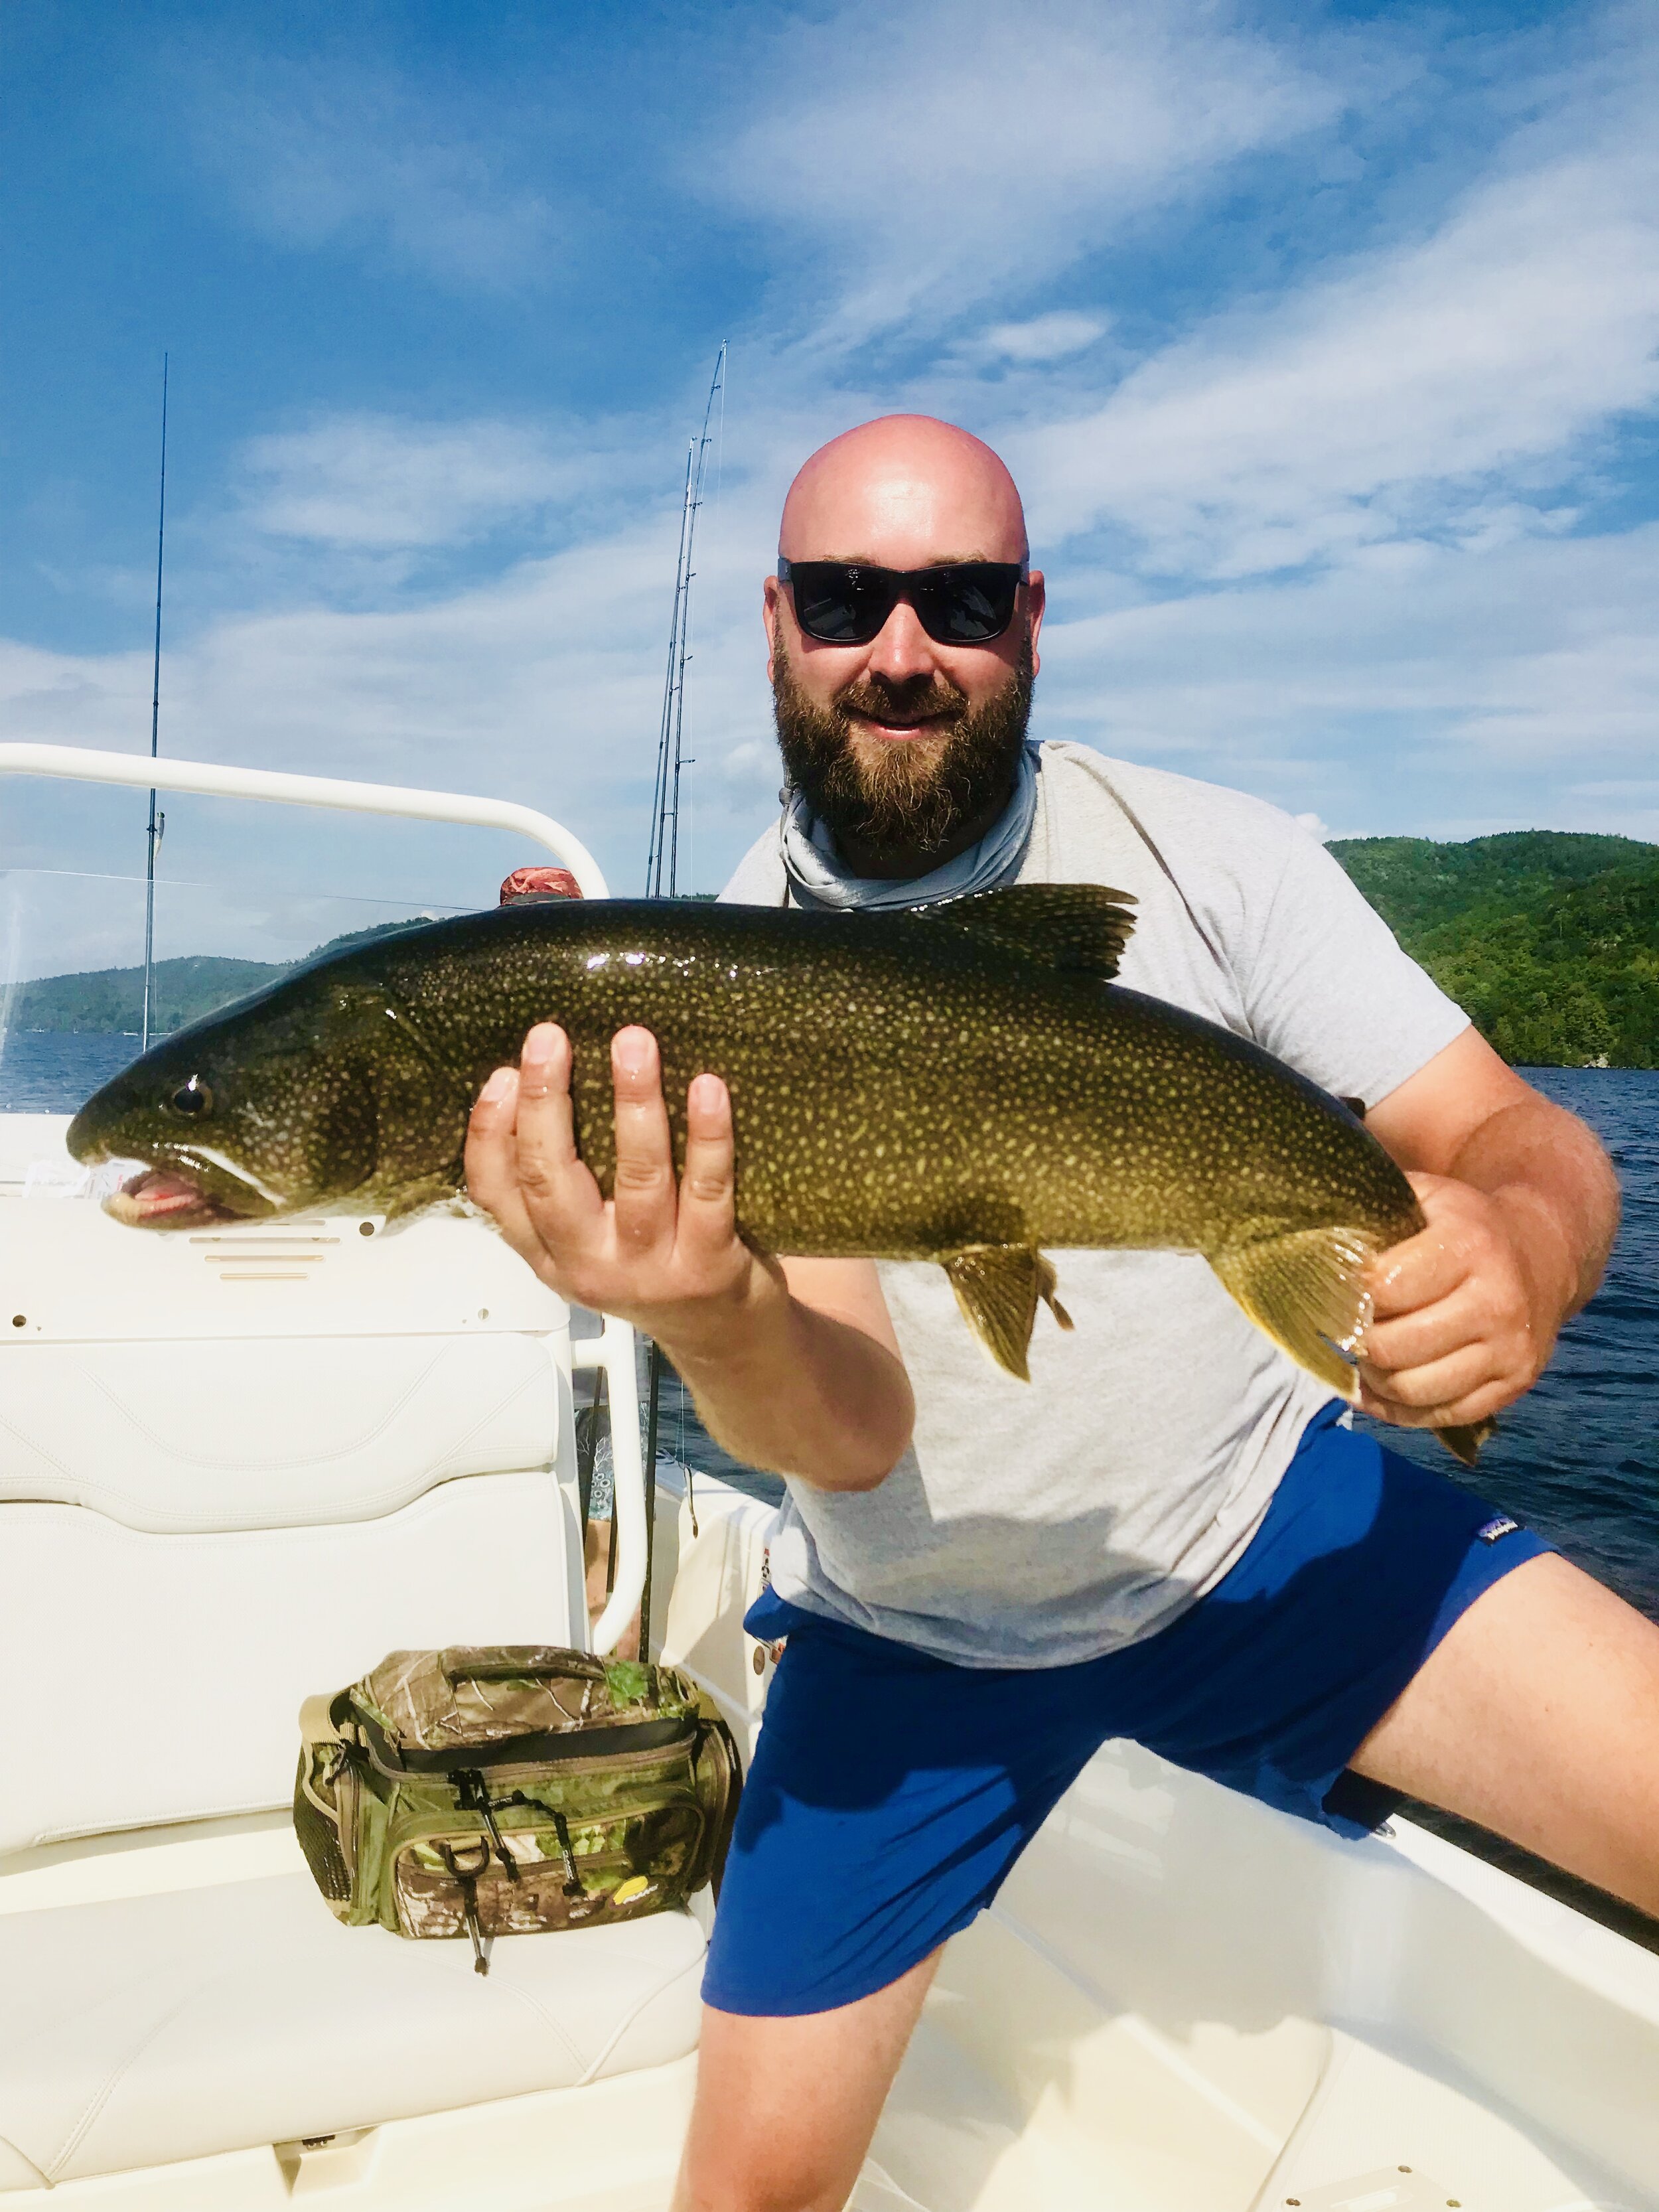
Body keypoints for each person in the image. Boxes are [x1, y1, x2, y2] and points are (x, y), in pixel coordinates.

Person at [465, 415, 1652, 2212]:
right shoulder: (710, 986)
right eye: (853, 598)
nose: (900, 649)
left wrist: (1523, 1247)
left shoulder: (1213, 860)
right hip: (909, 1637)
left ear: (1027, 618)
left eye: (952, 598)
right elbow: (851, 1433)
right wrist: (703, 1317)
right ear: (778, 624)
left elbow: (1509, 1131)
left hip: (1271, 1534)